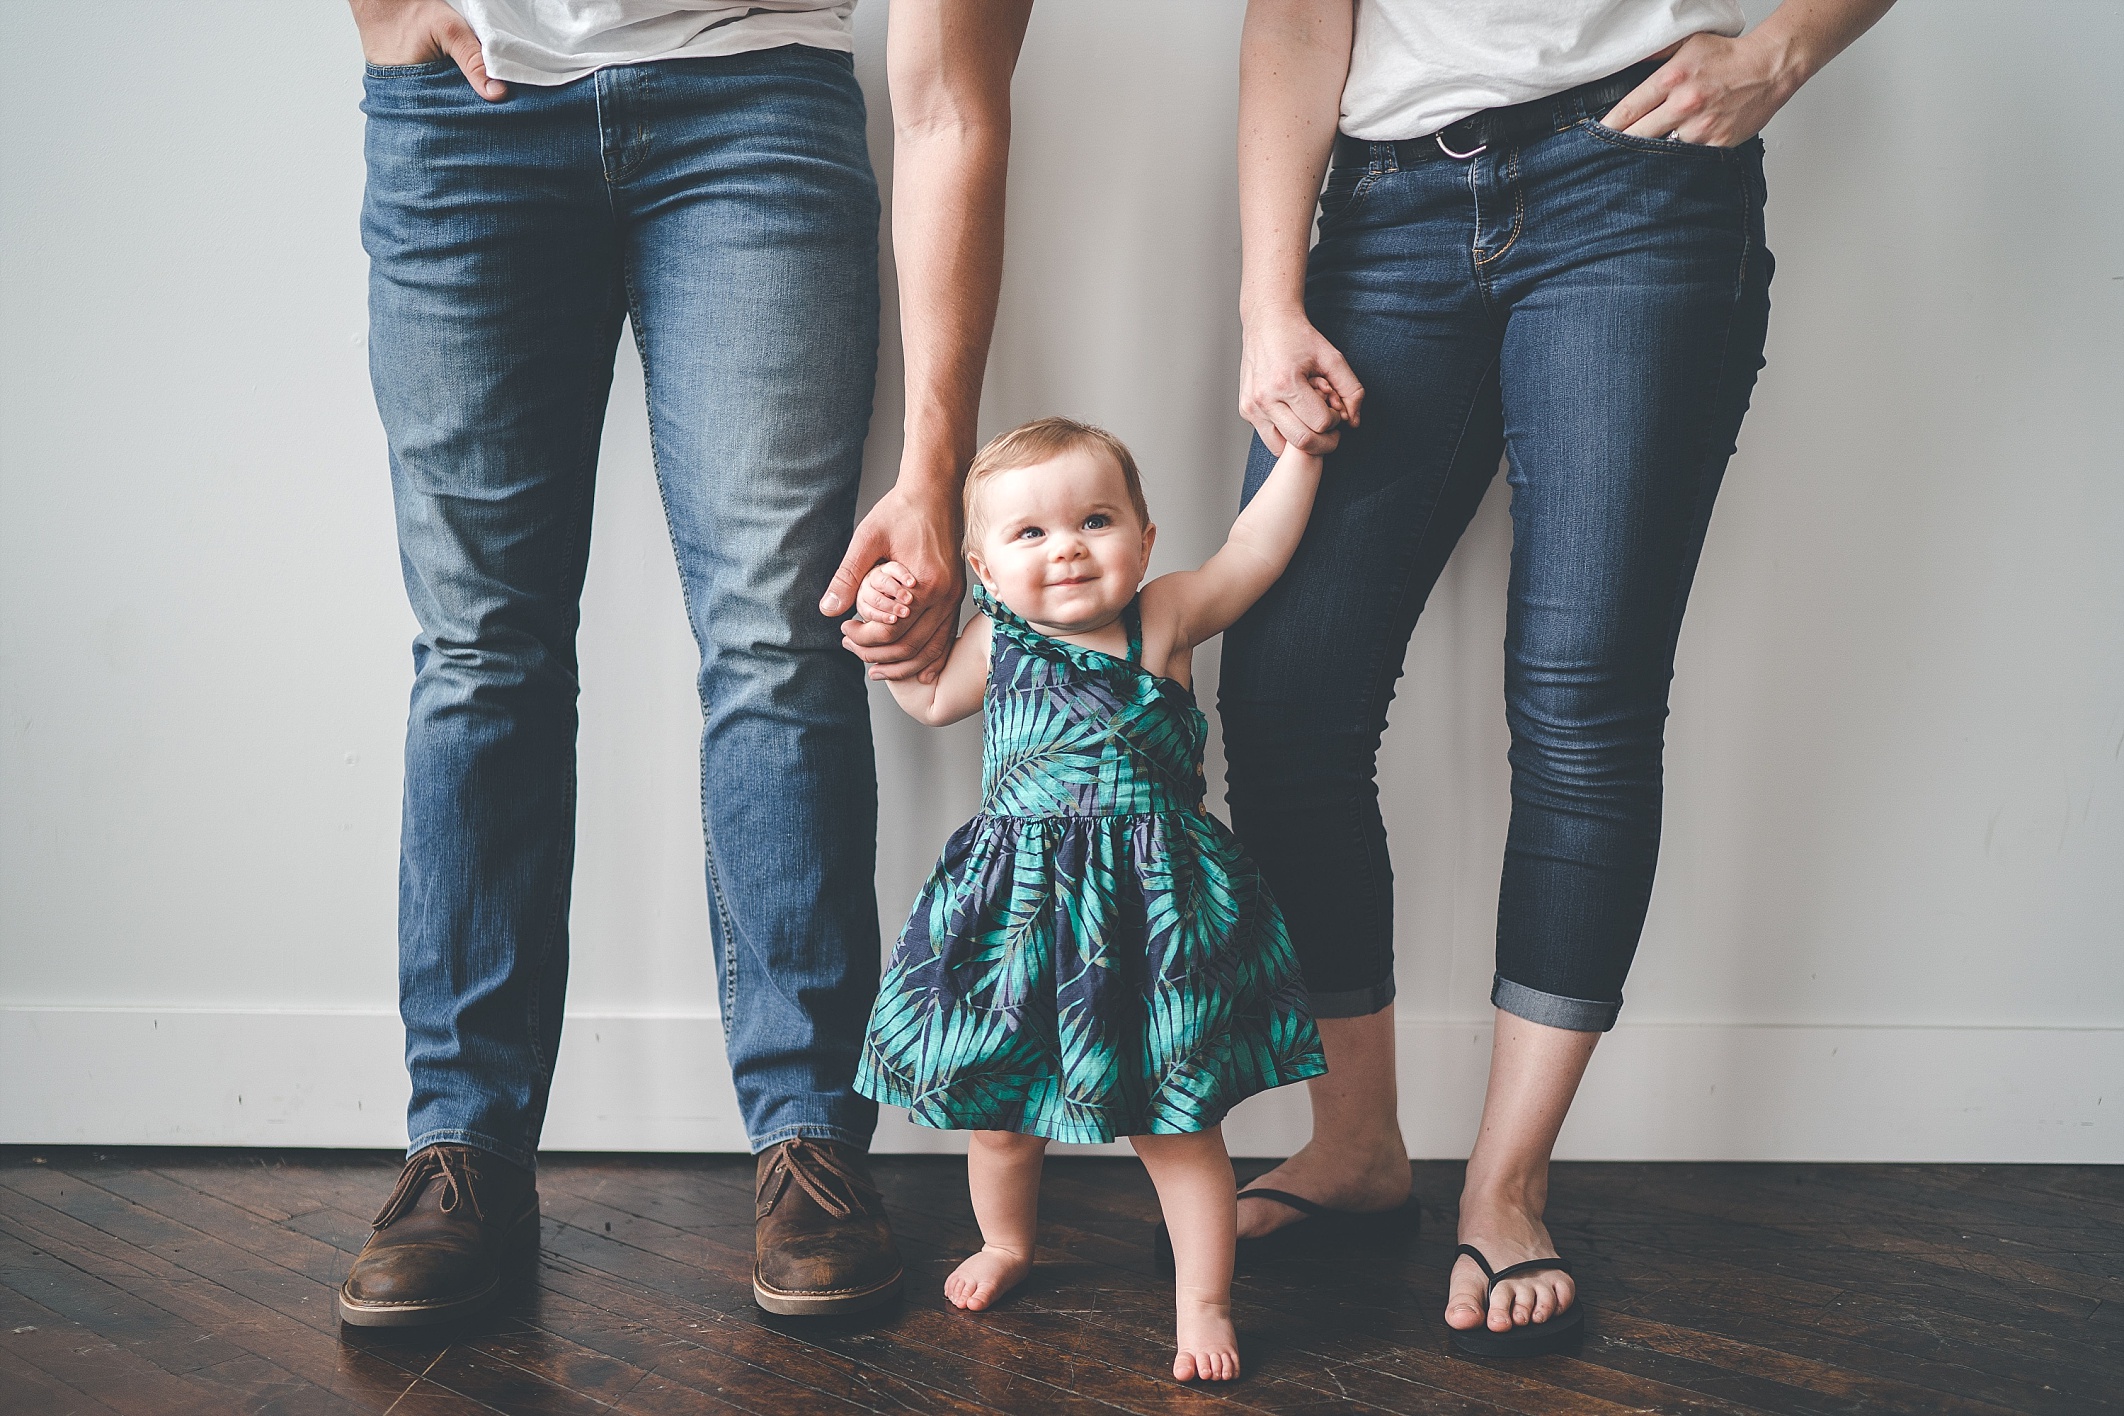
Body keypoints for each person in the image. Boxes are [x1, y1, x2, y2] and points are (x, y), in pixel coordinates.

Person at [335, 0, 1031, 1327]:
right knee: (483, 651)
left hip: (754, 106)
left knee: (778, 636)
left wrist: (936, 472)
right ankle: (464, 1147)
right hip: (460, 117)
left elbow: (954, 101)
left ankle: (811, 1139)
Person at [1226, 0, 1898, 1356]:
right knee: (1287, 698)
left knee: (1581, 707)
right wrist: (1267, 297)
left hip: (1642, 185)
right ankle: (1354, 1142)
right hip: (1385, 203)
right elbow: (1298, 12)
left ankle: (1508, 1181)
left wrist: (1787, 47)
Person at [849, 418, 1333, 1382]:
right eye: (1029, 534)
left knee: (1177, 1122)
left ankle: (1204, 1299)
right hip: (1018, 917)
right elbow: (929, 694)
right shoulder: (998, 639)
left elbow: (1256, 553)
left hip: (1153, 923)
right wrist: (885, 627)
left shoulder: (1164, 618)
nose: (1067, 545)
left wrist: (1301, 458)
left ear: (1145, 541)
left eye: (1096, 519)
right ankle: (1007, 1242)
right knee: (1000, 1110)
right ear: (983, 568)